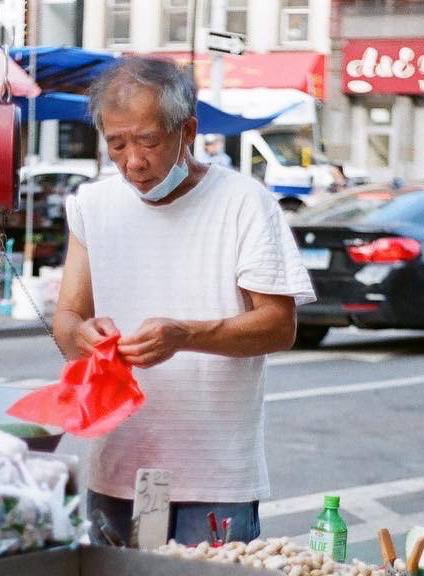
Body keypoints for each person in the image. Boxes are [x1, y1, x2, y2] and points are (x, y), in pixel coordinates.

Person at [52, 57, 314, 546]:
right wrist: (81, 336)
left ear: (186, 130)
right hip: (117, 468)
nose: (133, 161)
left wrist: (185, 335)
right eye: (117, 144)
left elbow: (280, 325)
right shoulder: (93, 205)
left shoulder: (244, 202)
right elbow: (66, 320)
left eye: (148, 141)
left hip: (216, 477)